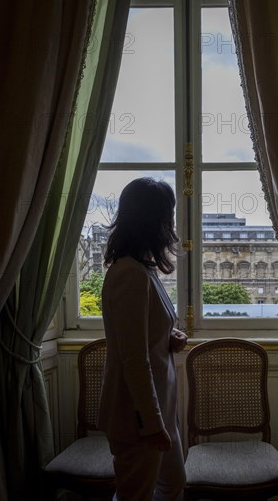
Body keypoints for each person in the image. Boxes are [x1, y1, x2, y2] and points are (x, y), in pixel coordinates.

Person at [98, 177, 188, 501]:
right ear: (153, 221)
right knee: (134, 494)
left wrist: (167, 337)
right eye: (169, 215)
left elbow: (142, 336)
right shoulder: (129, 274)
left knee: (173, 484)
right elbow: (133, 359)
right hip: (137, 416)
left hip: (160, 409)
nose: (172, 224)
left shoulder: (143, 269)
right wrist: (151, 425)